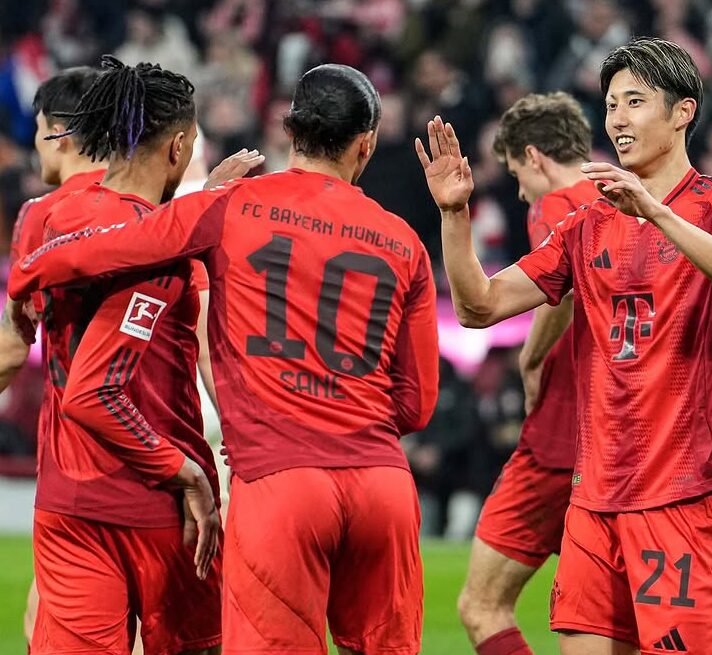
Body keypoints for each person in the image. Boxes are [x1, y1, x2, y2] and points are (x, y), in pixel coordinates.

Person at [10, 63, 440, 655]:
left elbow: (114, 246)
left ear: (289, 130)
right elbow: (415, 407)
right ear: (366, 144)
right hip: (382, 486)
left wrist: (27, 270)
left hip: (278, 482)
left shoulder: (230, 206)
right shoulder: (405, 242)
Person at [414, 37, 712, 655]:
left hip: (686, 493)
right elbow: (480, 306)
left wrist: (656, 212)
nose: (617, 119)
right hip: (595, 496)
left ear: (683, 112)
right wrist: (455, 215)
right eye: (611, 105)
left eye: (635, 102)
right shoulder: (586, 224)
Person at [14, 55, 251, 655]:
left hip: (68, 498)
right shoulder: (165, 245)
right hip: (161, 497)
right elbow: (101, 388)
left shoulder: (52, 217)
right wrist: (191, 470)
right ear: (178, 147)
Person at [457, 92, 598, 655]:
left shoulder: (557, 203)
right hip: (619, 444)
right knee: (602, 623)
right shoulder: (624, 199)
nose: (520, 193)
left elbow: (563, 288)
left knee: (481, 606)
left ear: (535, 157)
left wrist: (530, 356)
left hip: (559, 438)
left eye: (518, 174)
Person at [0, 66, 108, 646]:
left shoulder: (45, 215)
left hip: (80, 467)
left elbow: (12, 348)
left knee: (49, 626)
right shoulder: (161, 210)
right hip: (170, 459)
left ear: (59, 134)